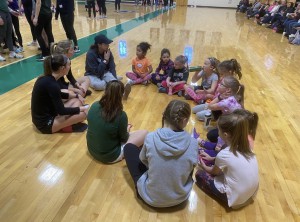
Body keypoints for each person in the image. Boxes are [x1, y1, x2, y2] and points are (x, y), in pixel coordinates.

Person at [124, 100, 198, 207]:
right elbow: (192, 167)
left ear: (164, 115)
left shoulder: (150, 137)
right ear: (185, 120)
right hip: (180, 198)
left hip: (150, 198)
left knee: (129, 148)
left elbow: (143, 160)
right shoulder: (193, 143)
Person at [196, 112, 259, 209]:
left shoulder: (224, 153)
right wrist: (212, 158)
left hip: (236, 199)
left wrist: (203, 166)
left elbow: (214, 172)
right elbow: (232, 161)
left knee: (199, 174)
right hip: (251, 193)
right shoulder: (247, 147)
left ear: (225, 135)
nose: (217, 133)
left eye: (219, 130)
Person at [87, 80, 148, 163]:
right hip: (110, 156)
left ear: (105, 91)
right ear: (122, 95)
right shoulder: (121, 115)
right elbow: (124, 138)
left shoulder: (94, 105)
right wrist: (126, 129)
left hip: (91, 150)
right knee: (145, 133)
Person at [31, 54, 89, 134]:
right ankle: (67, 127)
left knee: (77, 101)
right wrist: (81, 109)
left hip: (50, 113)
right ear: (62, 68)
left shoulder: (48, 79)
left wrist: (76, 95)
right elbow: (61, 111)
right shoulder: (52, 84)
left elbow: (59, 94)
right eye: (69, 64)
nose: (70, 67)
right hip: (45, 124)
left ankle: (66, 124)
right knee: (83, 114)